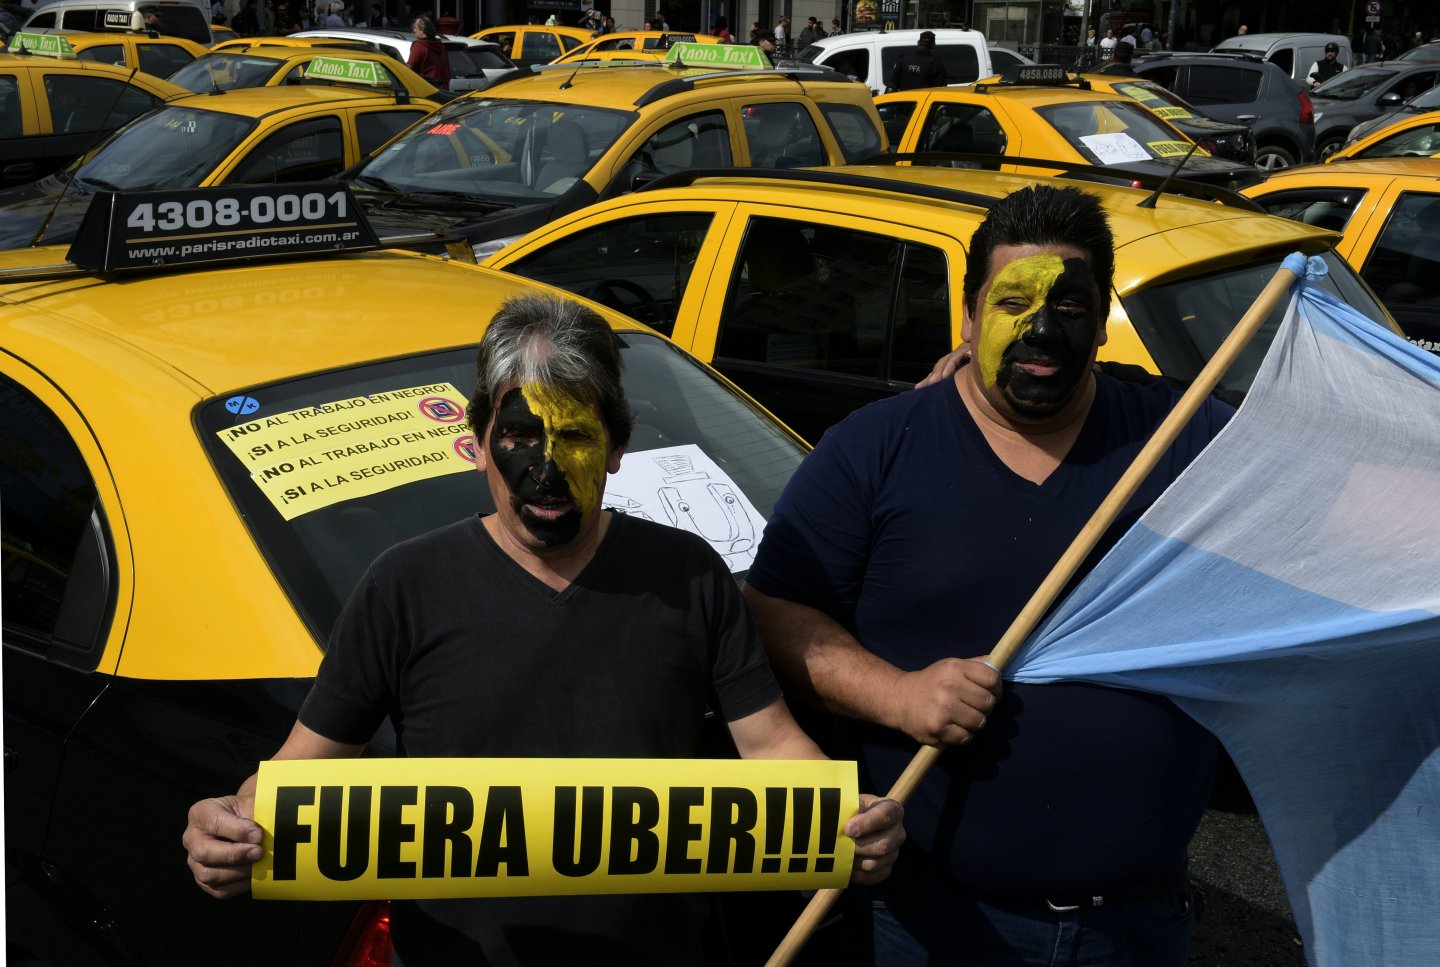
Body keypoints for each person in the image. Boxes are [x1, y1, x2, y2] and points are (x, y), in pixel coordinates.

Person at [182, 294, 906, 965]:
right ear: (477, 440)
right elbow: (301, 768)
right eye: (521, 435)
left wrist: (850, 819)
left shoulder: (688, 575)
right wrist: (229, 826)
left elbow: (773, 745)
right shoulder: (403, 587)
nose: (547, 468)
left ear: (618, 448)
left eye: (576, 436)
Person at [744, 184, 1233, 966]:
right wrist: (895, 694)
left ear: (1101, 320)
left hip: (1138, 926)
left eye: (1070, 306)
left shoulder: (1180, 436)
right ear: (969, 318)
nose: (1042, 329)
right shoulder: (875, 448)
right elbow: (770, 615)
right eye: (1014, 302)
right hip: (933, 926)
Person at [407, 15, 451, 89]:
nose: (414, 30)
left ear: (423, 30)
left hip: (426, 89)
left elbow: (410, 68)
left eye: (415, 28)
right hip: (443, 89)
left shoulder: (419, 46)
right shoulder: (441, 46)